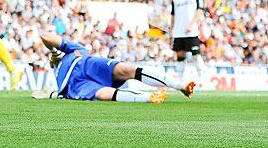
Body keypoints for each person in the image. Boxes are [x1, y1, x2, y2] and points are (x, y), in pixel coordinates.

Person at [37, 31, 196, 103]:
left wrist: (54, 49)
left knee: (126, 69)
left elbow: (45, 36)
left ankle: (180, 85)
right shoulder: (58, 79)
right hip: (76, 85)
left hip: (88, 65)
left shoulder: (73, 50)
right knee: (102, 95)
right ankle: (149, 98)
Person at [170, 0, 206, 81]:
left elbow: (200, 9)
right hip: (178, 31)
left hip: (191, 30)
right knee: (180, 55)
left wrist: (191, 24)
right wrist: (171, 29)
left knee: (195, 54)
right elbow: (173, 14)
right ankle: (179, 81)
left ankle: (203, 79)